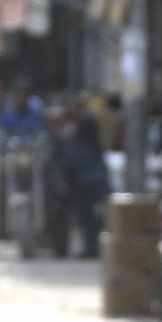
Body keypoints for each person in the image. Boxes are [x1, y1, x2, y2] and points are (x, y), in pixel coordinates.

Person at [54, 107, 109, 257]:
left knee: (93, 216)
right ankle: (92, 247)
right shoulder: (69, 137)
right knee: (87, 217)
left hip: (90, 179)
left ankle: (95, 248)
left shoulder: (83, 129)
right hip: (82, 181)